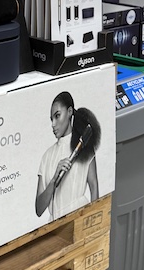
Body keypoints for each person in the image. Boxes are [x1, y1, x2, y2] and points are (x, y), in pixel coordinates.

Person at [35, 92, 101, 220]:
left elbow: (94, 186)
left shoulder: (84, 147)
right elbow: (39, 209)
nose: (53, 124)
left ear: (70, 111)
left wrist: (94, 219)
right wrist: (54, 179)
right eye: (51, 119)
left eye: (57, 116)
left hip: (81, 217)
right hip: (55, 225)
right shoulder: (46, 157)